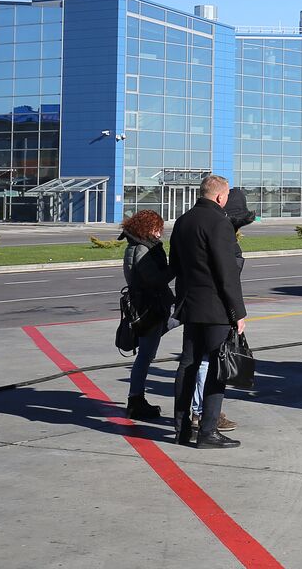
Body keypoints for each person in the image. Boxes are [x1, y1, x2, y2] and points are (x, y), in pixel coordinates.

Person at [169, 174, 246, 450]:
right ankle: (208, 431)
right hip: (215, 308)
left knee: (187, 365)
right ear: (219, 197)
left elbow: (174, 265)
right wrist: (238, 312)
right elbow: (227, 273)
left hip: (191, 305)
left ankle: (181, 429)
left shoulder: (182, 221)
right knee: (217, 366)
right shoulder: (219, 222)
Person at [121, 209, 174, 420]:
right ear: (148, 228)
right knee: (145, 355)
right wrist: (175, 269)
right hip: (149, 308)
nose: (160, 233)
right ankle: (135, 400)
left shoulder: (136, 246)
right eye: (157, 229)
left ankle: (136, 399)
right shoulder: (143, 249)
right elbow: (155, 280)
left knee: (146, 354)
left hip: (146, 306)